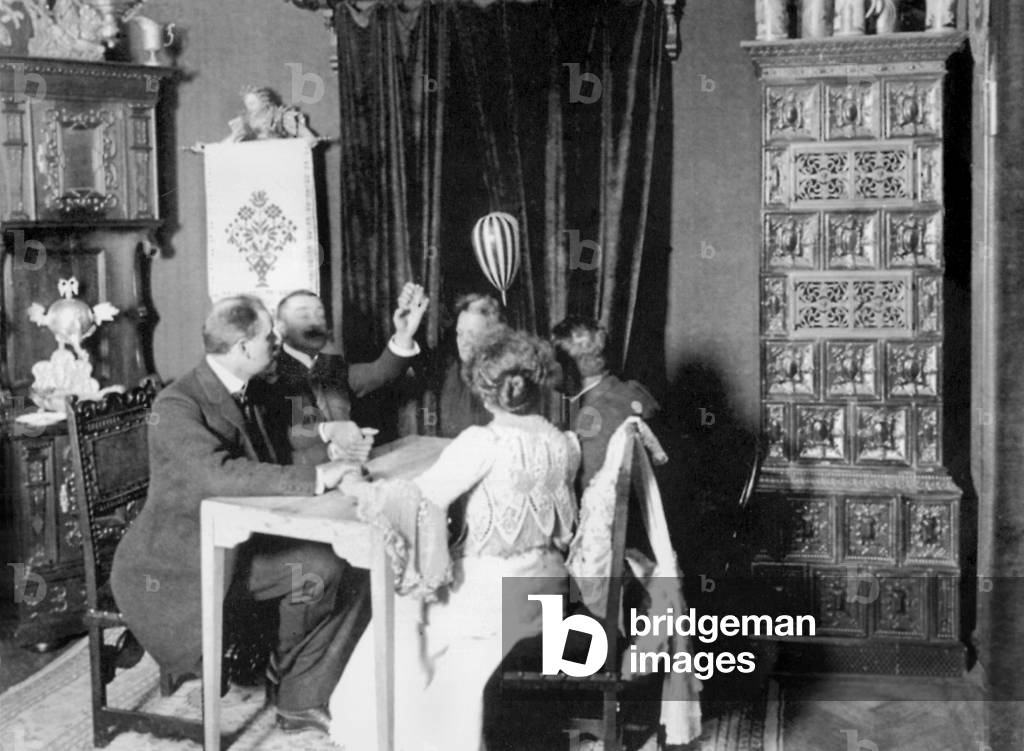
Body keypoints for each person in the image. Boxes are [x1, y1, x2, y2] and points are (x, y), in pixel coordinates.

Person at [110, 296, 364, 737]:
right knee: (320, 569)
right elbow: (216, 474)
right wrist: (317, 478)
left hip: (236, 542)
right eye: (270, 337)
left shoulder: (254, 386)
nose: (278, 343)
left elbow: (293, 433)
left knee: (354, 563)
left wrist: (333, 447)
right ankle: (296, 694)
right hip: (177, 564)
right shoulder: (176, 405)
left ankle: (293, 677)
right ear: (245, 347)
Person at [329, 328, 580, 751]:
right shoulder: (564, 442)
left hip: (495, 596)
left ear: (484, 392)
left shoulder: (483, 441)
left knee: (398, 606)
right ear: (538, 386)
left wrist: (356, 484)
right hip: (548, 585)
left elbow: (417, 500)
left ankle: (393, 734)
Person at [253, 283, 429, 466]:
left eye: (320, 315)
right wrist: (332, 444)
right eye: (303, 315)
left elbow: (382, 372)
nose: (315, 322)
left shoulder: (332, 366)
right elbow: (276, 447)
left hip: (348, 471)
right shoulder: (265, 376)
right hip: (299, 484)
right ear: (281, 328)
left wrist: (404, 332)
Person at [552, 316, 660, 490]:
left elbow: (592, 489)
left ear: (577, 365)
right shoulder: (635, 390)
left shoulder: (593, 415)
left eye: (554, 363)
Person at [435, 292, 505, 438]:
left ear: (493, 337)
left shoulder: (506, 379)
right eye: (460, 333)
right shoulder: (451, 370)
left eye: (472, 335)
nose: (464, 342)